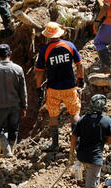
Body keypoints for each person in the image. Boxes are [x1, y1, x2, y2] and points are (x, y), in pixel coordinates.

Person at [35, 22, 84, 154]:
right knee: (74, 113)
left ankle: (55, 144)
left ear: (48, 36)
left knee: (53, 115)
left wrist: (38, 87)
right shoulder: (69, 45)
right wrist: (81, 78)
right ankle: (77, 144)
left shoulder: (44, 50)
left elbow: (39, 71)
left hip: (53, 89)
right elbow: (79, 64)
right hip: (69, 87)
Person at [71, 94, 111, 188]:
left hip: (81, 156)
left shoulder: (83, 119)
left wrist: (72, 152)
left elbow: (74, 136)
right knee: (91, 187)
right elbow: (109, 140)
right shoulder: (106, 121)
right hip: (95, 159)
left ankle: (79, 183)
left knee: (80, 173)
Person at [0, 43, 25, 156]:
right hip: (15, 105)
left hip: (1, 106)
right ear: (10, 54)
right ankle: (10, 152)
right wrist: (24, 106)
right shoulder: (18, 69)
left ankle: (7, 151)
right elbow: (23, 90)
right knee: (14, 130)